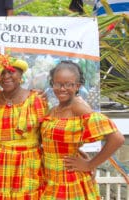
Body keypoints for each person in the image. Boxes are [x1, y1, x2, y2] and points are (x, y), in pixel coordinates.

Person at [40, 60, 125, 199]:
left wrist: (90, 164)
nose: (62, 88)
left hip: (69, 180)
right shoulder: (54, 110)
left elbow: (117, 139)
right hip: (50, 177)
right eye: (58, 83)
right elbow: (58, 140)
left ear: (77, 86)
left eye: (69, 84)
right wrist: (78, 151)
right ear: (52, 84)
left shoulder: (78, 107)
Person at [0, 52, 48, 199]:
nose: (6, 76)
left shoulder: (35, 99)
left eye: (11, 72)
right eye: (2, 73)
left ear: (21, 75)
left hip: (26, 163)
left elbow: (46, 134)